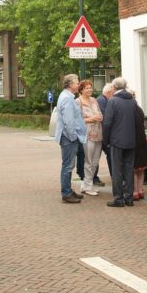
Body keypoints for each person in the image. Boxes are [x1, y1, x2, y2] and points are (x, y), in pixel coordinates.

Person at [102, 77, 136, 207]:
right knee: (129, 169)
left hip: (116, 140)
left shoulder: (113, 101)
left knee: (117, 170)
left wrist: (106, 139)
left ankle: (118, 198)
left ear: (114, 87)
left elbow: (107, 122)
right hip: (130, 140)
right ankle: (129, 198)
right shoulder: (132, 101)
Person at [54, 74, 86, 204]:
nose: (78, 84)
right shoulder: (67, 99)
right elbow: (69, 121)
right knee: (68, 166)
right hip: (68, 137)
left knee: (68, 165)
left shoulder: (66, 96)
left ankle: (68, 190)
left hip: (68, 136)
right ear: (70, 84)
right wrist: (73, 137)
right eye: (77, 82)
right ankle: (66, 193)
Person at [75, 80, 102, 196]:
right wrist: (91, 119)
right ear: (81, 90)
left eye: (90, 87)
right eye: (87, 88)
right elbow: (76, 120)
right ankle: (87, 186)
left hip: (98, 134)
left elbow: (99, 113)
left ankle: (87, 184)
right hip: (86, 135)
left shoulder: (94, 100)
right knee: (88, 161)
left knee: (95, 162)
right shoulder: (78, 102)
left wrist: (100, 117)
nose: (90, 89)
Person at [95, 83, 116, 187]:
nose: (114, 94)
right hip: (102, 134)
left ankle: (113, 177)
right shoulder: (102, 101)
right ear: (109, 92)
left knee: (106, 155)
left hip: (103, 134)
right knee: (99, 156)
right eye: (113, 92)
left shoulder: (102, 100)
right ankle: (95, 178)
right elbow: (106, 118)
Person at [130, 89, 147, 201]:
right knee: (141, 168)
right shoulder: (139, 109)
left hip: (133, 141)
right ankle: (140, 190)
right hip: (142, 140)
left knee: (133, 168)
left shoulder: (129, 110)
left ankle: (135, 191)